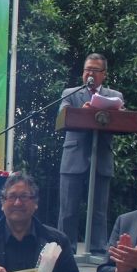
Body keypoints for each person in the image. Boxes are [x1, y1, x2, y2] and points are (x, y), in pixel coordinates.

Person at [57, 53, 124, 254]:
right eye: (87, 70)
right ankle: (65, 250)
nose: (90, 74)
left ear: (104, 74)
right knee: (68, 209)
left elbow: (122, 118)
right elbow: (63, 115)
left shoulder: (115, 96)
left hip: (101, 157)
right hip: (73, 157)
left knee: (98, 210)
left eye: (95, 70)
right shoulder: (71, 93)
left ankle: (96, 250)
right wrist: (84, 111)